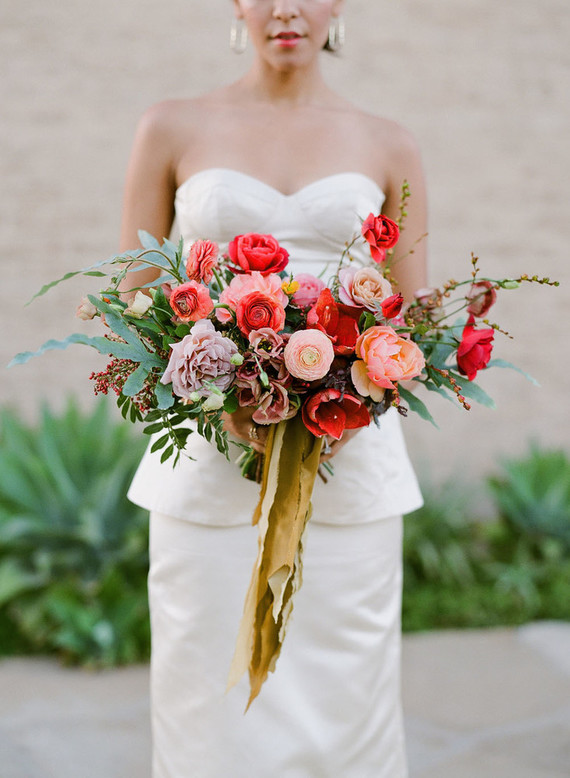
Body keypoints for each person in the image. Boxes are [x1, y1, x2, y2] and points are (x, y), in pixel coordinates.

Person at [121, 2, 427, 776]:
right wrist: (218, 386)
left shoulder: (390, 142)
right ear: (236, 6)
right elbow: (132, 293)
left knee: (347, 700)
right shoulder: (170, 126)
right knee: (208, 704)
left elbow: (415, 316)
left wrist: (358, 390)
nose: (285, 7)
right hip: (209, 460)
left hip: (349, 457)